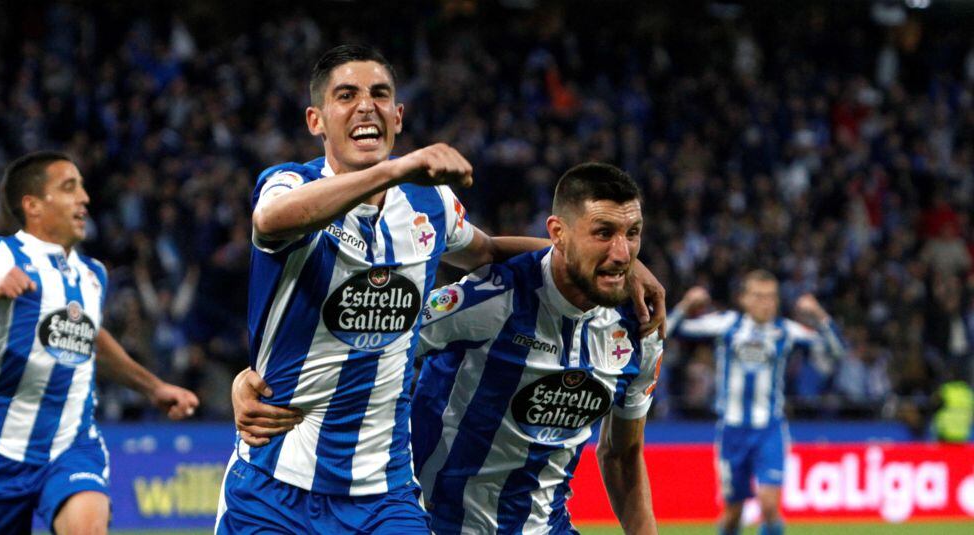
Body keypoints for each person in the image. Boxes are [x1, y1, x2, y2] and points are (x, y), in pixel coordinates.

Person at [216, 45, 666, 534]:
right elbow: (270, 220)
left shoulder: (428, 204)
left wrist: (617, 265)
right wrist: (391, 170)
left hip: (384, 495)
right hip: (272, 482)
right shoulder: (287, 183)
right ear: (316, 120)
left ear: (398, 115)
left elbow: (490, 250)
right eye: (346, 95)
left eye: (380, 94)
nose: (366, 105)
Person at [0, 151, 200, 535]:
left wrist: (155, 387)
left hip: (72, 445)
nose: (84, 197)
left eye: (82, 187)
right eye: (69, 188)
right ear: (32, 205)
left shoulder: (92, 275)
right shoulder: (3, 254)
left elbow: (91, 339)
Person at [409, 162, 661, 534]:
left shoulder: (640, 329)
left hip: (548, 526)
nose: (624, 254)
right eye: (604, 233)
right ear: (558, 233)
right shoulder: (491, 298)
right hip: (442, 525)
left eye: (633, 233)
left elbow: (623, 455)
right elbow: (378, 345)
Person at [668, 272, 844, 535]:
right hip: (732, 432)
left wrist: (819, 314)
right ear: (744, 299)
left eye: (771, 297)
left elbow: (837, 350)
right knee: (732, 515)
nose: (766, 303)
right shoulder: (727, 325)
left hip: (769, 431)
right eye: (759, 296)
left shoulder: (785, 330)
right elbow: (667, 331)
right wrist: (685, 305)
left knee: (770, 506)